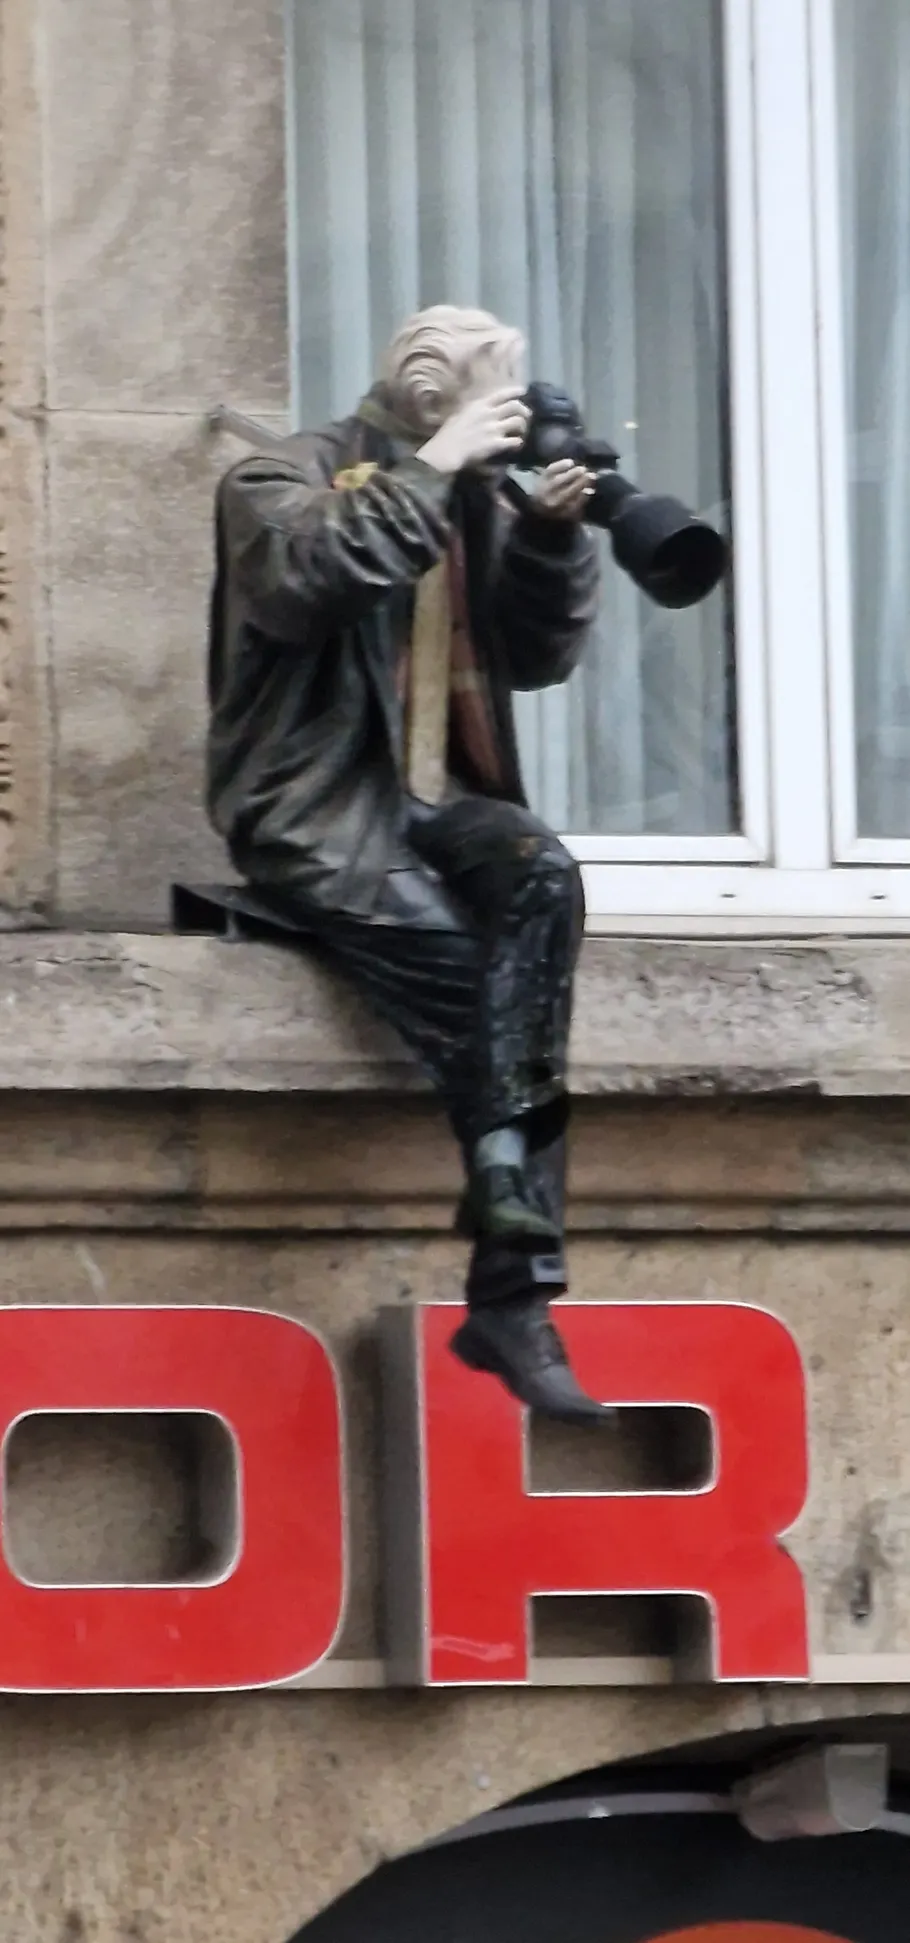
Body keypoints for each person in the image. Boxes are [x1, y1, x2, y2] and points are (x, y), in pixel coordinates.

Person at [207, 304, 609, 1421]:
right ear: (430, 389)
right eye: (489, 394)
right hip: (323, 806)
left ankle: (507, 1254)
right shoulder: (280, 477)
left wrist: (548, 536)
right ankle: (515, 1294)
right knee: (470, 977)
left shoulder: (476, 495)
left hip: (447, 796)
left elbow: (537, 655)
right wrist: (436, 468)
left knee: (539, 873)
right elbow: (305, 580)